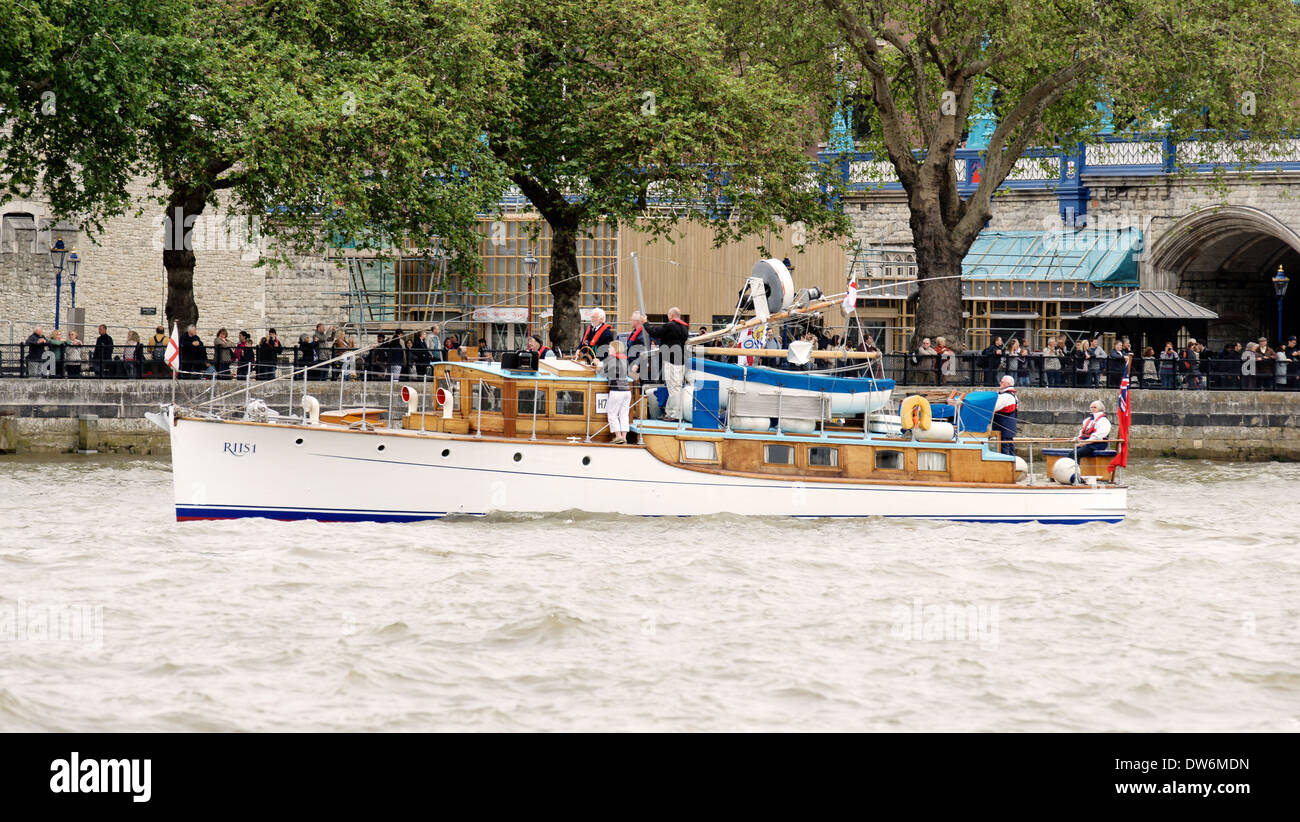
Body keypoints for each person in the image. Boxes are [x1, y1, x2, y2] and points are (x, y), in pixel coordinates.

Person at [648, 307, 690, 421]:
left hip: (672, 360)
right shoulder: (685, 327)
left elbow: (655, 332)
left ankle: (675, 414)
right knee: (674, 387)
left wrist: (645, 323)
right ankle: (669, 412)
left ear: (671, 315)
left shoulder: (670, 325)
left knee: (673, 388)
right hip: (680, 360)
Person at [600, 339, 637, 444]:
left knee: (612, 414)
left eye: (610, 347)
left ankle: (618, 436)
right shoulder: (625, 359)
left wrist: (598, 364)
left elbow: (603, 373)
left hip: (616, 390)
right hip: (626, 390)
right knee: (624, 414)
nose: (608, 349)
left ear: (615, 349)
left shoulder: (611, 359)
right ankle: (624, 437)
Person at [992, 375, 1018, 456]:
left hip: (1003, 431)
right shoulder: (1010, 395)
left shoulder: (1006, 397)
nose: (1000, 383)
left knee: (1005, 452)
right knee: (1009, 450)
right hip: (1007, 430)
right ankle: (1012, 466)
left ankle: (1008, 467)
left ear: (1007, 384)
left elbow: (994, 407)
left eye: (1002, 382)